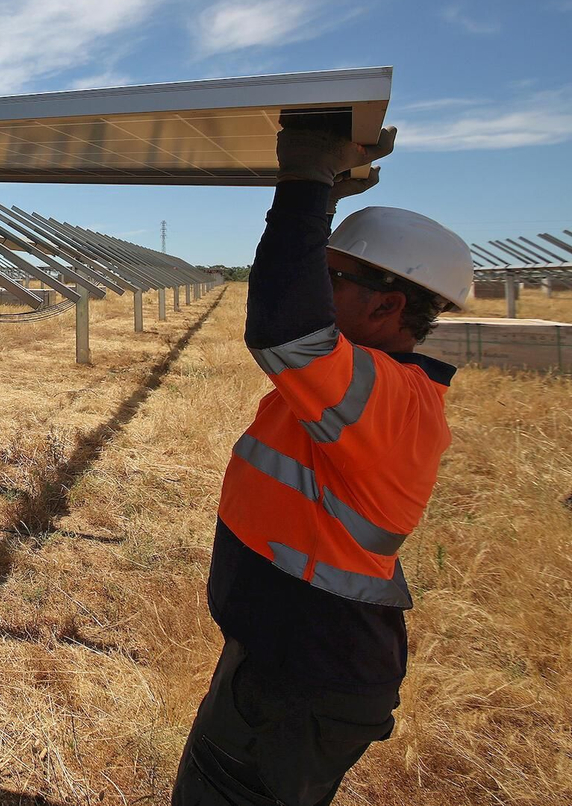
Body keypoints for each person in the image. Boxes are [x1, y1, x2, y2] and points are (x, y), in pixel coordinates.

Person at [172, 125, 474, 805]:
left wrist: (306, 179)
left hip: (302, 679)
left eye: (330, 276)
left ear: (388, 305)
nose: (315, 283)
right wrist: (322, 199)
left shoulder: (386, 398)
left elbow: (283, 324)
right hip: (294, 662)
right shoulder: (368, 385)